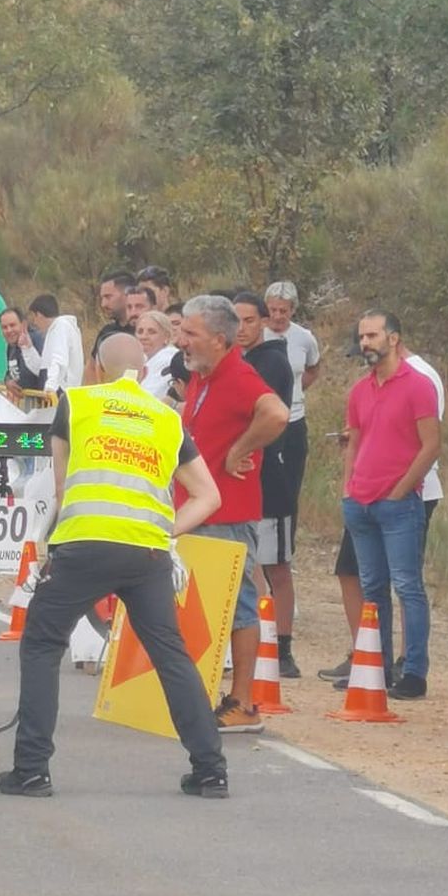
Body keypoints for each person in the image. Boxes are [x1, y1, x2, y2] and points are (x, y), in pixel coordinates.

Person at [0, 335, 228, 799]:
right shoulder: (167, 419)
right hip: (146, 552)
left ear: (96, 367)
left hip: (84, 545)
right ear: (144, 372)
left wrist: (55, 551)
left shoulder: (77, 403)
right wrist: (167, 532)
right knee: (170, 654)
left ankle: (31, 769)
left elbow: (63, 488)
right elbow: (209, 496)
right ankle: (210, 769)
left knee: (43, 643)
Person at [174, 293, 290, 730]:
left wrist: (240, 449)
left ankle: (243, 702)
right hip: (199, 512)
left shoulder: (239, 375)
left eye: (191, 333)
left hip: (228, 516)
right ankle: (199, 693)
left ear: (219, 339)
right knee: (198, 606)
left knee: (238, 607)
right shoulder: (203, 375)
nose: (181, 340)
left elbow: (276, 414)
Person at [340, 309, 440, 699]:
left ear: (393, 338)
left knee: (407, 586)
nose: (365, 343)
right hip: (361, 500)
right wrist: (348, 487)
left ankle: (414, 671)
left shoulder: (417, 385)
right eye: (362, 336)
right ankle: (375, 665)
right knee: (372, 587)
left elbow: (431, 443)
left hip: (397, 502)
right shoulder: (360, 389)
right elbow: (355, 439)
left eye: (373, 335)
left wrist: (402, 489)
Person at [233, 291, 297, 666]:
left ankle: (282, 645)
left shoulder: (271, 361)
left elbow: (266, 417)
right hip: (248, 478)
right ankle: (262, 640)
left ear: (264, 322)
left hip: (272, 475)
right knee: (253, 561)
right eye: (236, 321)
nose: (242, 328)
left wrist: (239, 449)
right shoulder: (244, 360)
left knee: (276, 565)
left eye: (249, 321)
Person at [262, 281, 322, 675]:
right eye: (274, 310)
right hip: (265, 421)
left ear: (293, 310)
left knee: (288, 497)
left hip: (293, 423)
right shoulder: (261, 338)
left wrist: (296, 393)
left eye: (285, 310)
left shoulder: (304, 339)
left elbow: (314, 367)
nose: (279, 316)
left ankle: (285, 548)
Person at [29, 294, 84, 391]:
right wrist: (27, 348)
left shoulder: (60, 326)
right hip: (57, 391)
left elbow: (59, 360)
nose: (34, 323)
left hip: (61, 393)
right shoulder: (55, 330)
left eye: (34, 317)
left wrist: (50, 387)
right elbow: (42, 369)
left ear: (39, 314)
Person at [89, 272, 138, 375]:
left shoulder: (145, 331)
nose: (103, 304)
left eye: (108, 297)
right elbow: (91, 369)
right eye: (102, 298)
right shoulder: (106, 332)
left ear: (127, 295)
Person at [0, 306, 45, 393]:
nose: (9, 330)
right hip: (21, 403)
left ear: (23, 324)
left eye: (12, 325)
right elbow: (9, 373)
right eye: (4, 327)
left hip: (41, 402)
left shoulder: (36, 340)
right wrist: (7, 381)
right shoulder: (11, 346)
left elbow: (44, 372)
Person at [134, 307, 179, 396]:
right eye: (140, 331)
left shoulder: (169, 360)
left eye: (151, 332)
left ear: (167, 336)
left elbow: (151, 395)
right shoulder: (137, 360)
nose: (144, 336)